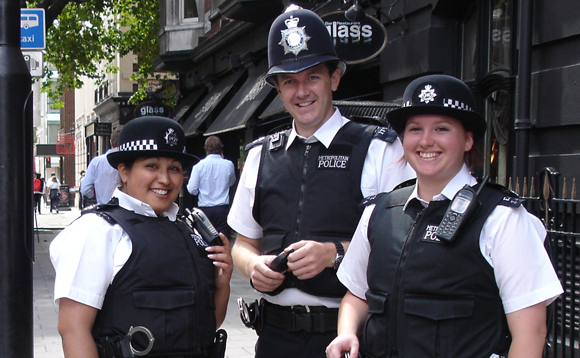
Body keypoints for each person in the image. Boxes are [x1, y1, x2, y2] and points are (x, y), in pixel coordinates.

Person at [325, 74, 563, 358]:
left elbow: (531, 334)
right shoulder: (379, 212)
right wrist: (347, 332)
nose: (426, 141)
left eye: (441, 128)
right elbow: (357, 294)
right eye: (415, 129)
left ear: (467, 140)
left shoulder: (502, 219)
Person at [227, 7, 414, 358]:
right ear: (278, 90)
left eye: (312, 77)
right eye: (289, 81)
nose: (301, 91)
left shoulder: (379, 150)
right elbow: (242, 244)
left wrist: (334, 254)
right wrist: (253, 267)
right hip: (274, 337)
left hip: (347, 337)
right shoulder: (260, 155)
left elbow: (405, 247)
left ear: (335, 78)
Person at [50, 116, 233, 358]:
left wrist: (222, 284)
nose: (165, 179)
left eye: (174, 168)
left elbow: (206, 326)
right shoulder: (97, 231)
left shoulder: (189, 231)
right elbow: (73, 330)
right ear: (124, 172)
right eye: (152, 166)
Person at [187, 136, 236, 236]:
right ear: (221, 148)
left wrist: (199, 191)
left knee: (205, 240)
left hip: (204, 209)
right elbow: (231, 182)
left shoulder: (198, 166)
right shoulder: (228, 164)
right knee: (223, 240)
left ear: (206, 148)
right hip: (222, 209)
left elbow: (192, 190)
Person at [81, 126, 122, 205]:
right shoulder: (132, 161)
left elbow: (85, 189)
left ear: (111, 142)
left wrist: (98, 195)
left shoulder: (96, 162)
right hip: (126, 211)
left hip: (104, 208)